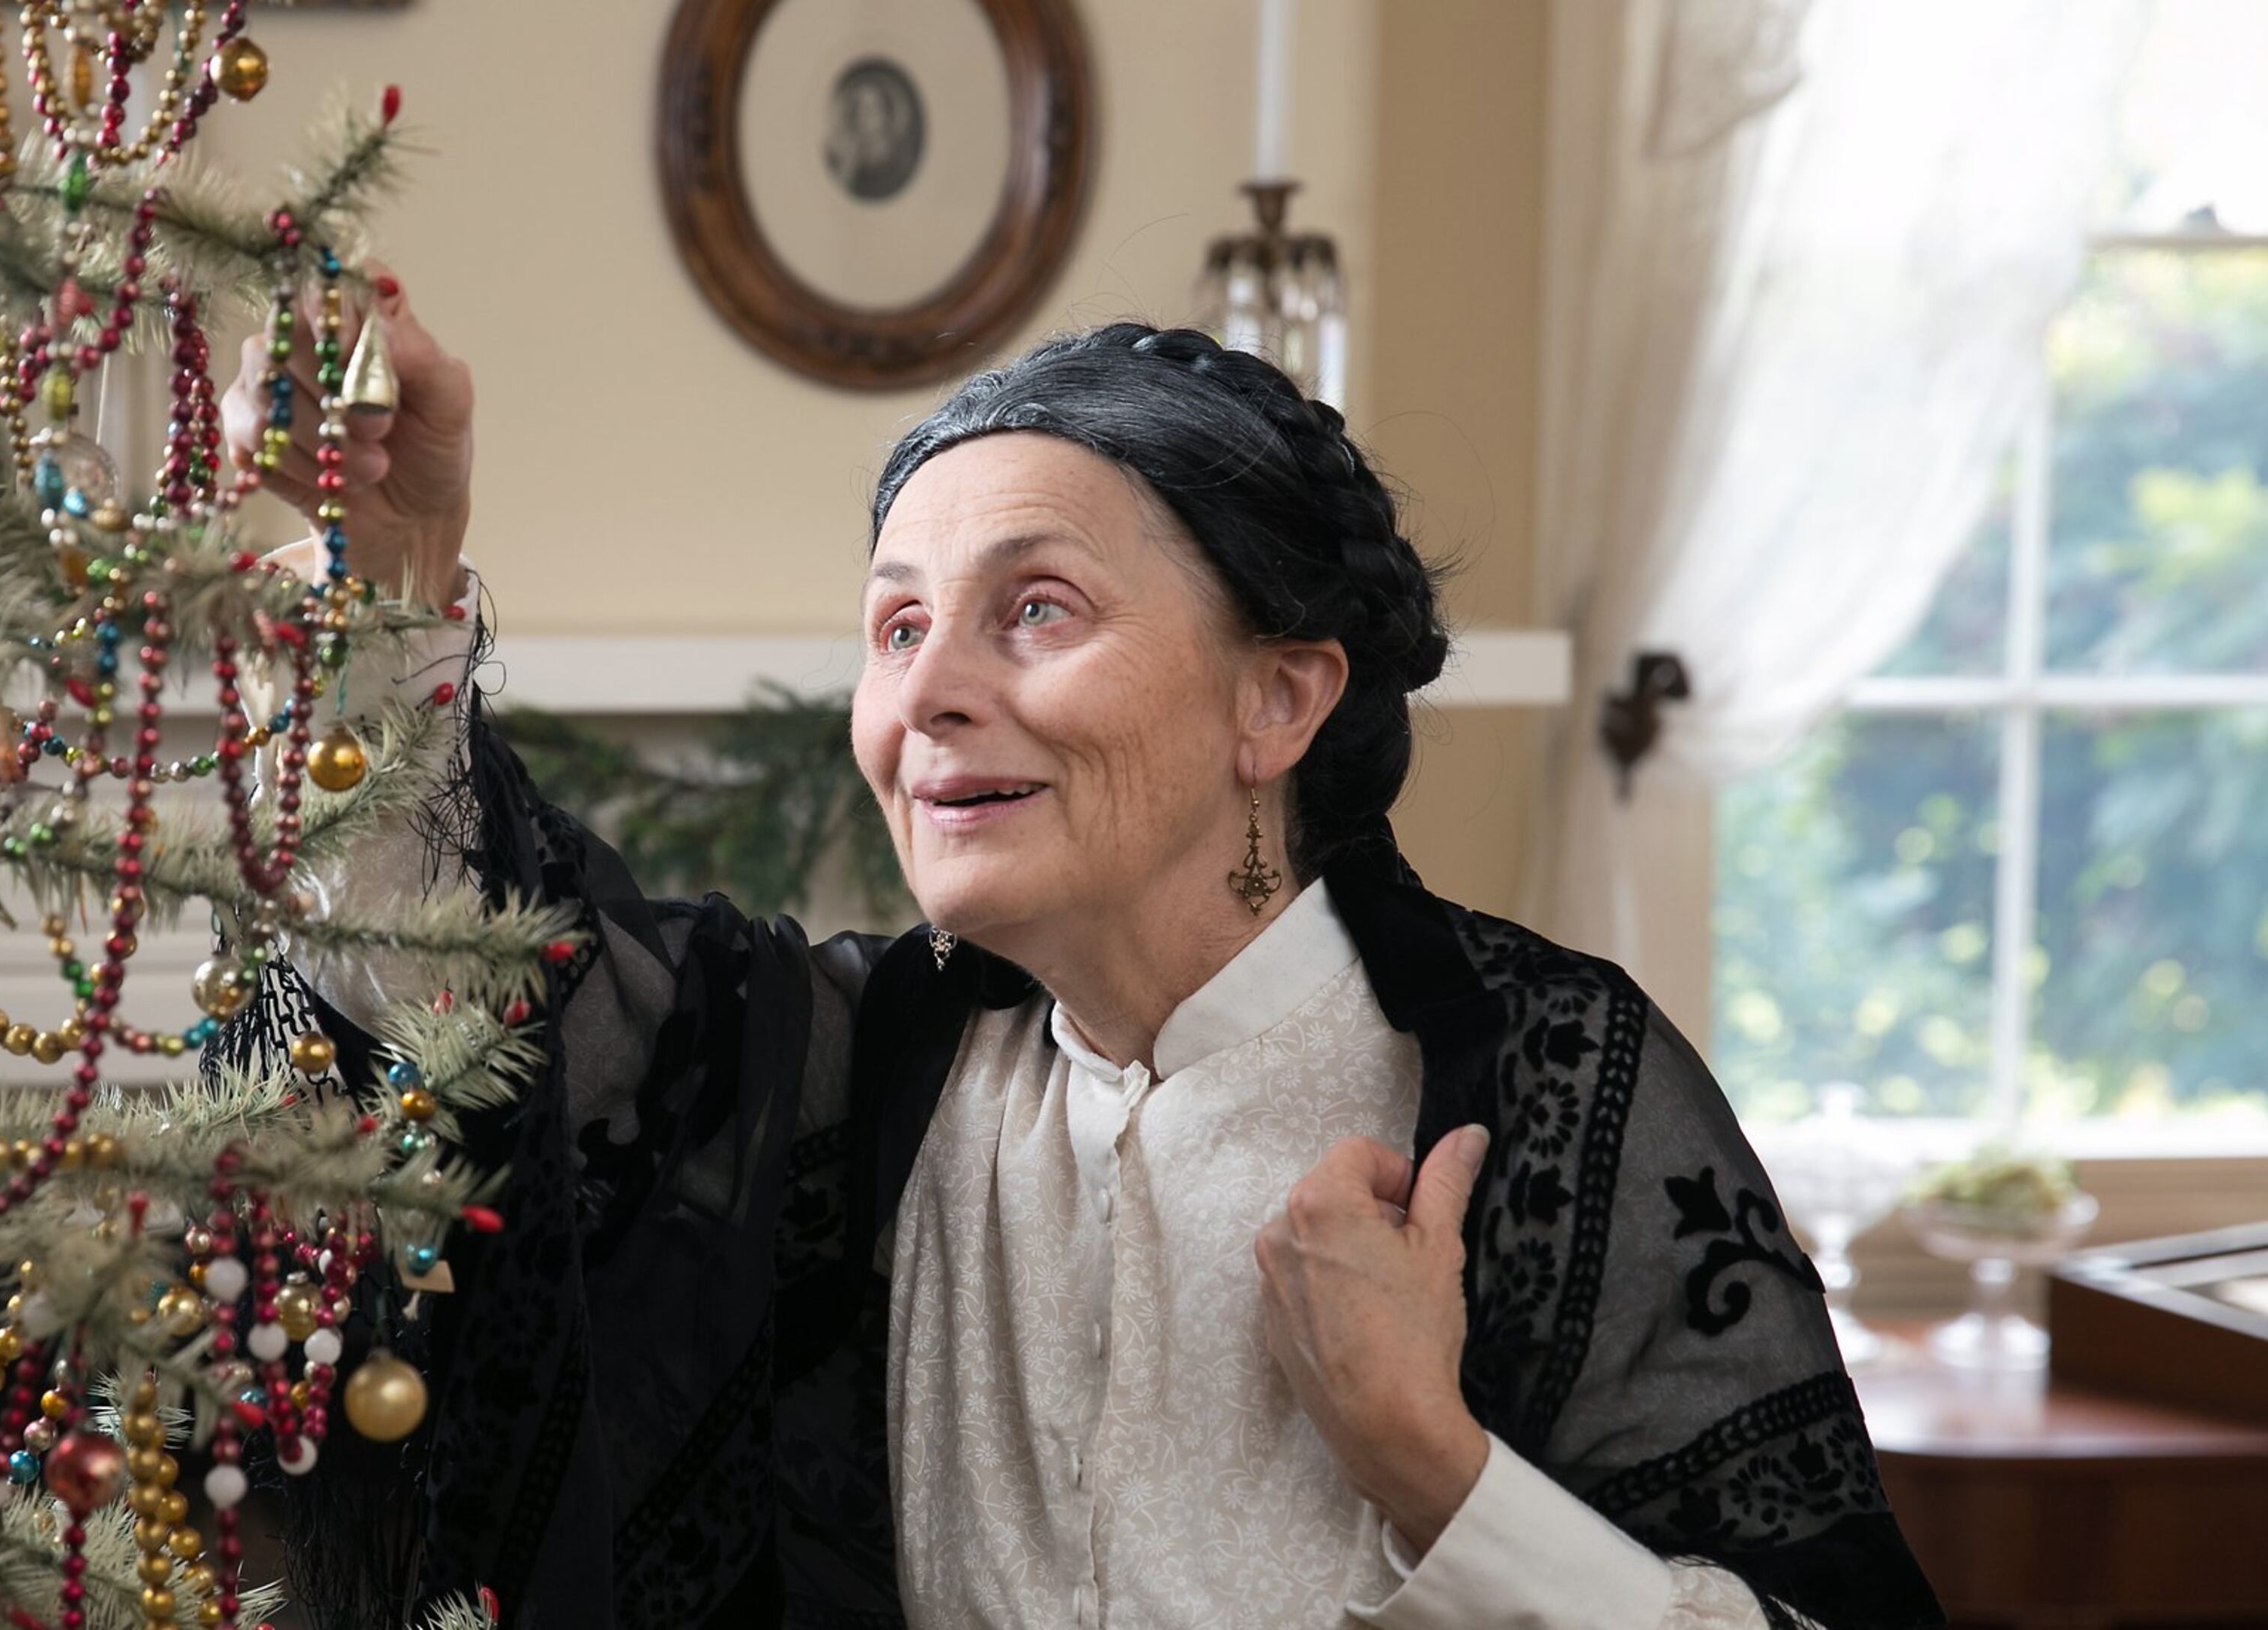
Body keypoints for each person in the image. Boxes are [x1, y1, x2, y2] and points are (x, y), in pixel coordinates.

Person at [211, 281, 1943, 1630]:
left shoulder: (1550, 1081)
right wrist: (397, 562)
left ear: (1282, 695)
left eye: (1035, 608)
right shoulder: (863, 1067)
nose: (932, 692)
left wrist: (1432, 1464)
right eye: (898, 624)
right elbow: (474, 1005)